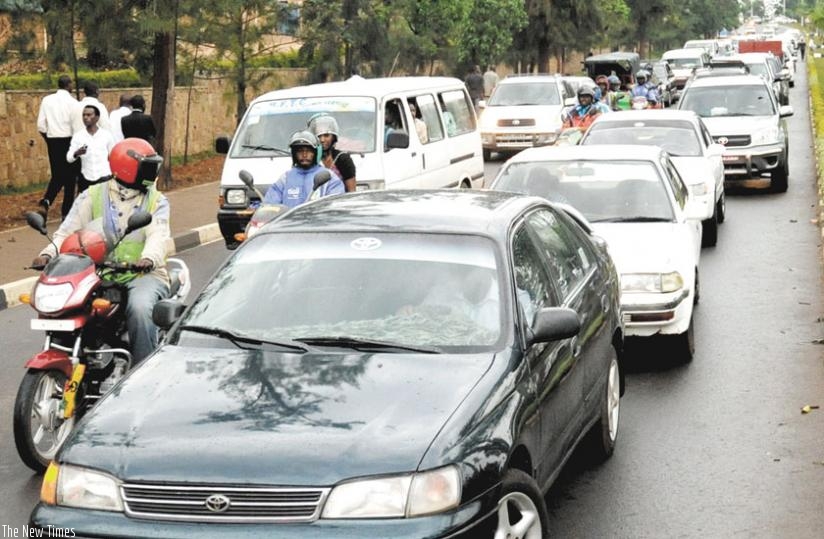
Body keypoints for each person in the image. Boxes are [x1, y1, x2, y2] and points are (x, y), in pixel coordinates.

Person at [31, 138, 171, 364]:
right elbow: (67, 232)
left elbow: (158, 235)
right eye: (148, 166)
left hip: (142, 274)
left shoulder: (157, 200)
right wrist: (48, 254)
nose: (153, 173)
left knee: (140, 308)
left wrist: (149, 258)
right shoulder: (92, 195)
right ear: (128, 167)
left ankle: (142, 372)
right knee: (72, 305)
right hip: (100, 273)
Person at [36, 74, 83, 219]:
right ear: (69, 85)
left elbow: (41, 125)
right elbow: (78, 127)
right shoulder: (74, 103)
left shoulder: (47, 100)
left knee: (57, 175)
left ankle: (46, 201)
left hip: (53, 140)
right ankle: (66, 212)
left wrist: (48, 139)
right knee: (70, 178)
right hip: (69, 140)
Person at [262, 130, 344, 207]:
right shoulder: (285, 178)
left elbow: (336, 207)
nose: (304, 155)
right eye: (300, 151)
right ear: (294, 154)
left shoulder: (328, 177)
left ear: (316, 152)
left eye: (308, 151)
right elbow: (269, 205)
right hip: (289, 221)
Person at [67, 105, 116, 192]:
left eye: (89, 115)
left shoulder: (106, 135)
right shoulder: (78, 136)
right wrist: (77, 153)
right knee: (86, 204)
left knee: (103, 204)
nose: (85, 117)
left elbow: (113, 155)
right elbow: (69, 158)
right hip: (86, 179)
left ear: (97, 117)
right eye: (84, 115)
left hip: (104, 177)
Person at [308, 113, 357, 192]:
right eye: (318, 136)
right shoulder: (309, 159)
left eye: (326, 135)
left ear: (333, 137)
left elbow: (352, 192)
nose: (322, 140)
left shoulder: (343, 159)